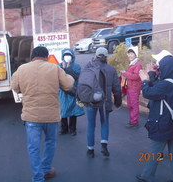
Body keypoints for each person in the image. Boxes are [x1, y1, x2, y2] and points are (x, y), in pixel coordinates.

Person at [11, 46, 74, 182]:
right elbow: (68, 85)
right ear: (46, 56)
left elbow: (15, 87)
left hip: (31, 117)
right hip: (50, 116)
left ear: (32, 56)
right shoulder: (55, 68)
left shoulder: (22, 69)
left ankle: (38, 178)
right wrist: (67, 72)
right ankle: (46, 170)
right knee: (50, 142)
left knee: (33, 148)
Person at [137, 50, 173, 182]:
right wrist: (152, 74)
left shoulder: (165, 84)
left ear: (164, 68)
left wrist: (145, 81)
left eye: (160, 67)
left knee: (154, 153)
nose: (159, 68)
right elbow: (157, 88)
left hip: (162, 124)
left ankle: (146, 176)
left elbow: (148, 93)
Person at [84, 47, 122, 158]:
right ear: (106, 57)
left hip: (91, 100)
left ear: (95, 55)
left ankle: (90, 150)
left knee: (91, 125)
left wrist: (80, 98)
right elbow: (117, 88)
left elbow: (83, 84)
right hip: (105, 101)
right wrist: (118, 103)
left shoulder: (88, 66)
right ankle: (104, 145)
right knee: (104, 123)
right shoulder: (111, 69)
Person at [58, 48, 85, 136]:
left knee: (74, 111)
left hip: (73, 91)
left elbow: (76, 77)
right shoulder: (59, 66)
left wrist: (68, 67)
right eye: (65, 55)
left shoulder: (76, 66)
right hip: (63, 92)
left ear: (72, 56)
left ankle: (72, 129)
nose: (67, 57)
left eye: (69, 55)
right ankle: (63, 128)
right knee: (63, 110)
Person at [121, 46, 142, 128]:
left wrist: (125, 73)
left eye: (132, 53)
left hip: (134, 88)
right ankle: (132, 120)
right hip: (130, 87)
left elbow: (136, 76)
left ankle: (134, 122)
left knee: (134, 105)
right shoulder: (133, 63)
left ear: (135, 54)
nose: (130, 55)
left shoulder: (137, 64)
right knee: (130, 105)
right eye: (129, 53)